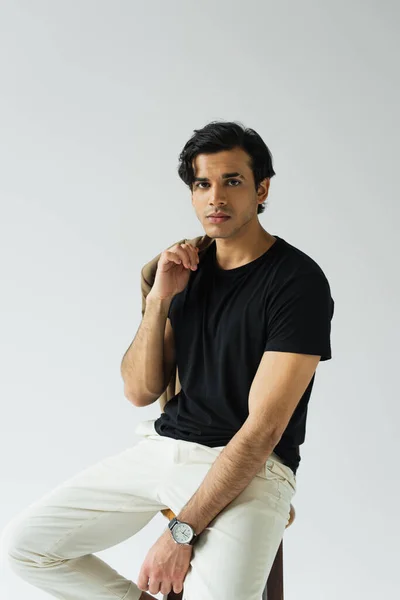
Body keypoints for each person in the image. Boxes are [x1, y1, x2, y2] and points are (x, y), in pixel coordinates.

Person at [2, 120, 334, 600]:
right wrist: (159, 301)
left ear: (262, 189)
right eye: (202, 184)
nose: (215, 197)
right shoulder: (182, 267)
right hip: (166, 450)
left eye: (232, 181)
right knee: (24, 548)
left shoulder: (297, 283)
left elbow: (262, 432)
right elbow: (139, 392)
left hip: (254, 469)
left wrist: (180, 534)